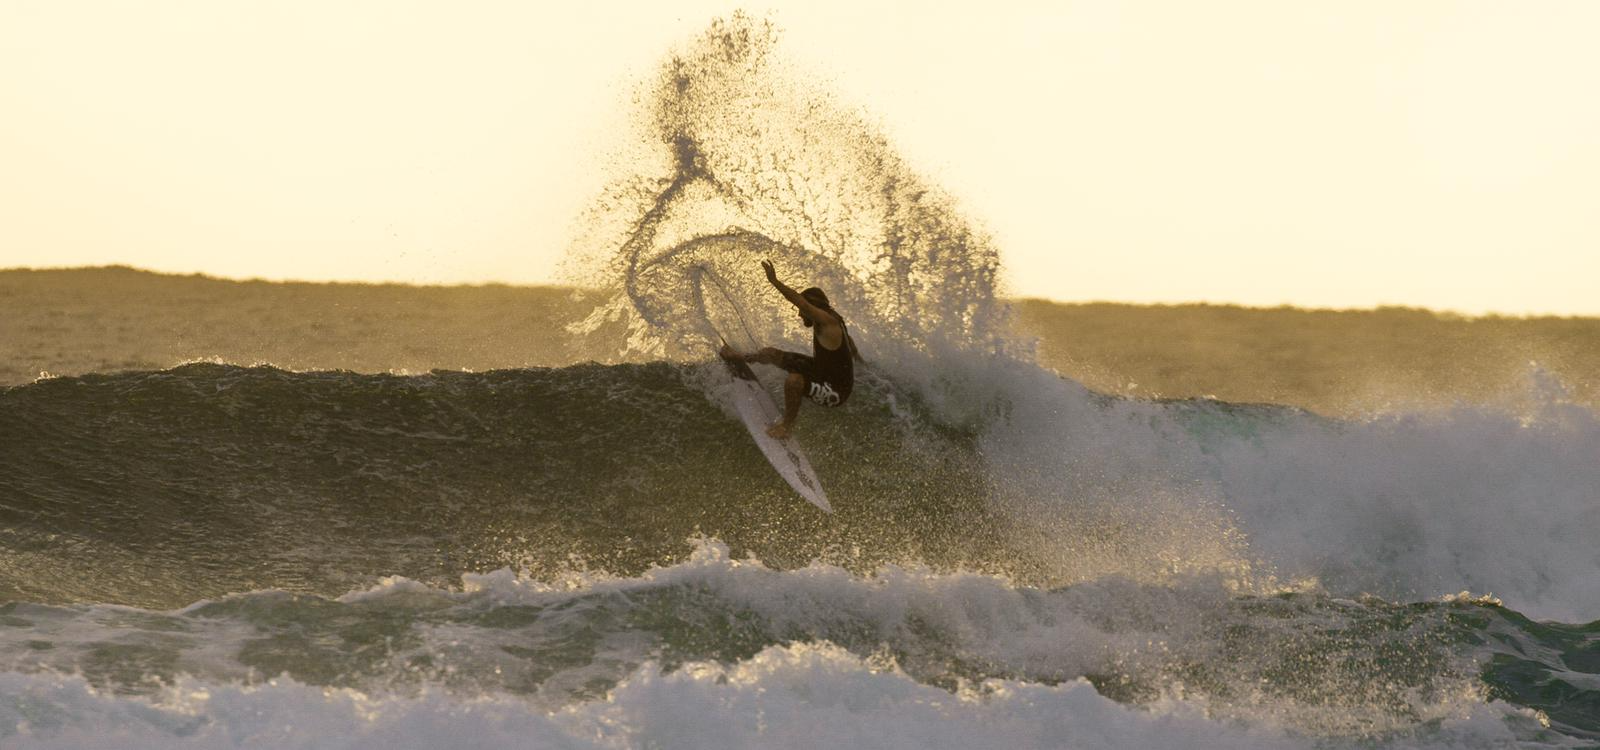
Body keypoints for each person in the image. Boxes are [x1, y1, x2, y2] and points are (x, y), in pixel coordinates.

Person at [721, 259, 859, 439]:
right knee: (770, 353)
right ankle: (741, 357)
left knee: (794, 382)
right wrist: (861, 361)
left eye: (802, 310)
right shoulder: (834, 322)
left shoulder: (828, 322)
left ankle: (786, 426)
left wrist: (774, 281)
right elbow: (850, 343)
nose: (799, 313)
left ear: (813, 308)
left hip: (836, 391)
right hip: (820, 370)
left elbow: (802, 303)